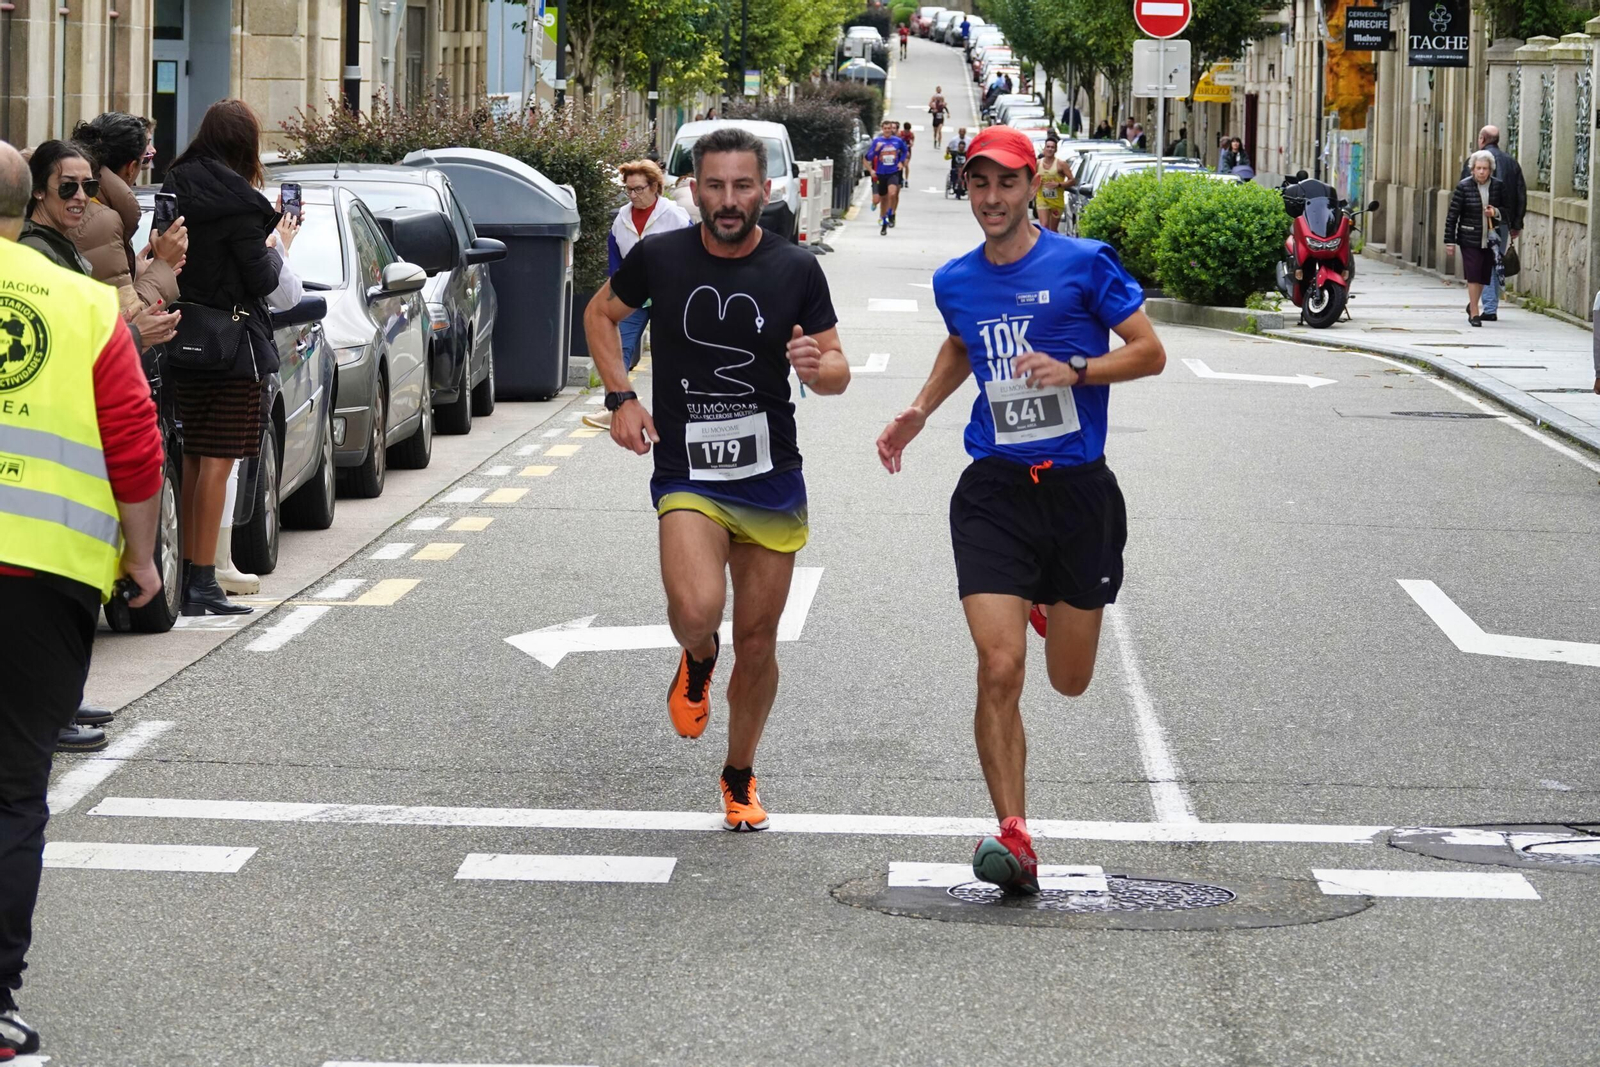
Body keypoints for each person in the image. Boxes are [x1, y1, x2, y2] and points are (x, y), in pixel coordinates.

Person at [873, 125, 1165, 893]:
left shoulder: (1082, 265)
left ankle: (1047, 595)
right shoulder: (957, 281)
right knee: (999, 665)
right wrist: (919, 411)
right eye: (978, 184)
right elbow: (962, 345)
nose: (991, 199)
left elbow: (1148, 351)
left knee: (1068, 680)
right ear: (966, 188)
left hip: (1078, 494)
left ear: (1033, 184)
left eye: (1006, 183)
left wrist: (1077, 367)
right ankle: (1013, 831)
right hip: (996, 489)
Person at [581, 127, 850, 833]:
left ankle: (739, 772)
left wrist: (819, 369)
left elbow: (836, 368)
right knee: (698, 609)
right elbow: (600, 316)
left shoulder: (796, 269)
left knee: (759, 641)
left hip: (770, 477)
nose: (728, 201)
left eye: (742, 186)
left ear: (765, 190)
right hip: (688, 470)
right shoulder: (661, 257)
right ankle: (698, 656)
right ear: (693, 189)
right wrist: (621, 398)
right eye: (715, 186)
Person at [0, 137, 165, 1059]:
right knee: (13, 790)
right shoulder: (79, 302)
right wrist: (143, 560)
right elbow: (135, 441)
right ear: (29, 208)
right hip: (44, 578)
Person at [161, 100, 285, 616]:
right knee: (218, 461)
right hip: (233, 346)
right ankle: (204, 581)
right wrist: (277, 245)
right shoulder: (241, 206)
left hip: (183, 336)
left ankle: (191, 575)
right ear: (244, 146)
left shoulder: (176, 184)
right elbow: (263, 281)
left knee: (193, 460)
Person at [584, 159, 693, 431]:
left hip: (670, 295)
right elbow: (615, 257)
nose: (633, 195)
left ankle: (678, 408)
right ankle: (614, 405)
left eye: (639, 189)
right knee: (618, 347)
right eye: (628, 190)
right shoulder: (622, 218)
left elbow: (693, 254)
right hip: (633, 296)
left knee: (669, 353)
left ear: (655, 187)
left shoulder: (675, 216)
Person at [69, 112, 184, 320]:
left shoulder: (81, 202)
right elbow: (126, 321)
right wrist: (163, 265)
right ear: (131, 168)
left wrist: (133, 273)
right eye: (144, 160)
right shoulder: (102, 220)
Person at [1458, 125, 1525, 322]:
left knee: (1483, 263)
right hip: (1502, 222)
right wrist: (1516, 223)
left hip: (1477, 223)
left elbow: (1462, 191)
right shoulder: (1512, 163)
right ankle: (1489, 306)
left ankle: (1485, 306)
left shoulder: (1474, 162)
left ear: (1482, 139)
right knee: (1495, 262)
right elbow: (1521, 194)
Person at [1445, 149, 1506, 328]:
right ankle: (1474, 313)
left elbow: (1506, 209)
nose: (1481, 172)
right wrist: (1450, 241)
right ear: (1472, 169)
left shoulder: (1498, 186)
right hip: (1469, 237)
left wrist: (1495, 212)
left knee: (1483, 276)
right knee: (1473, 274)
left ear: (1490, 170)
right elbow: (1452, 215)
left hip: (1490, 238)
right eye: (1478, 168)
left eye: (1485, 168)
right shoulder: (1464, 186)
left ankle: (1472, 304)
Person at [868, 119, 907, 235]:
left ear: (892, 129)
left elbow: (905, 151)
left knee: (892, 193)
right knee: (883, 199)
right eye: (885, 129)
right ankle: (884, 219)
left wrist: (901, 162)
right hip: (881, 173)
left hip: (893, 172)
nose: (887, 131)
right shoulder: (877, 141)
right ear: (882, 129)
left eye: (889, 129)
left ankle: (890, 213)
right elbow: (869, 157)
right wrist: (876, 150)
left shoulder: (897, 141)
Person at [1034, 135, 1073, 233]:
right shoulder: (1038, 163)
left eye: (1052, 147)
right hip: (1042, 198)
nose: (1050, 149)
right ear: (1044, 148)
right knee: (1044, 226)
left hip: (1056, 201)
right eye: (1048, 147)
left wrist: (1058, 184)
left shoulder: (1061, 164)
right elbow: (1030, 178)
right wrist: (1036, 182)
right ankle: (1046, 247)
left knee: (1053, 229)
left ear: (1056, 150)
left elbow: (1072, 180)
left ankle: (1054, 246)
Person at [945, 126, 971, 198]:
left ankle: (965, 186)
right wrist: (948, 152)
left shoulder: (969, 141)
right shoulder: (954, 141)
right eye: (961, 132)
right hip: (955, 167)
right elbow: (948, 149)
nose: (962, 133)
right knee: (953, 172)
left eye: (963, 132)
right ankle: (954, 185)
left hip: (964, 167)